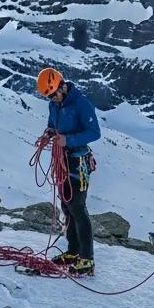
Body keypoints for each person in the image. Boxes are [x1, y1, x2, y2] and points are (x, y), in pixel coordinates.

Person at [38, 68, 101, 277]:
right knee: (67, 205)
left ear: (63, 86)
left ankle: (87, 258)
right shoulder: (54, 105)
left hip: (79, 160)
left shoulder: (81, 103)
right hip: (63, 160)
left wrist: (69, 140)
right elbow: (52, 125)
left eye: (54, 94)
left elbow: (94, 132)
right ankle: (73, 251)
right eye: (49, 96)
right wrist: (49, 133)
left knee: (78, 206)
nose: (53, 99)